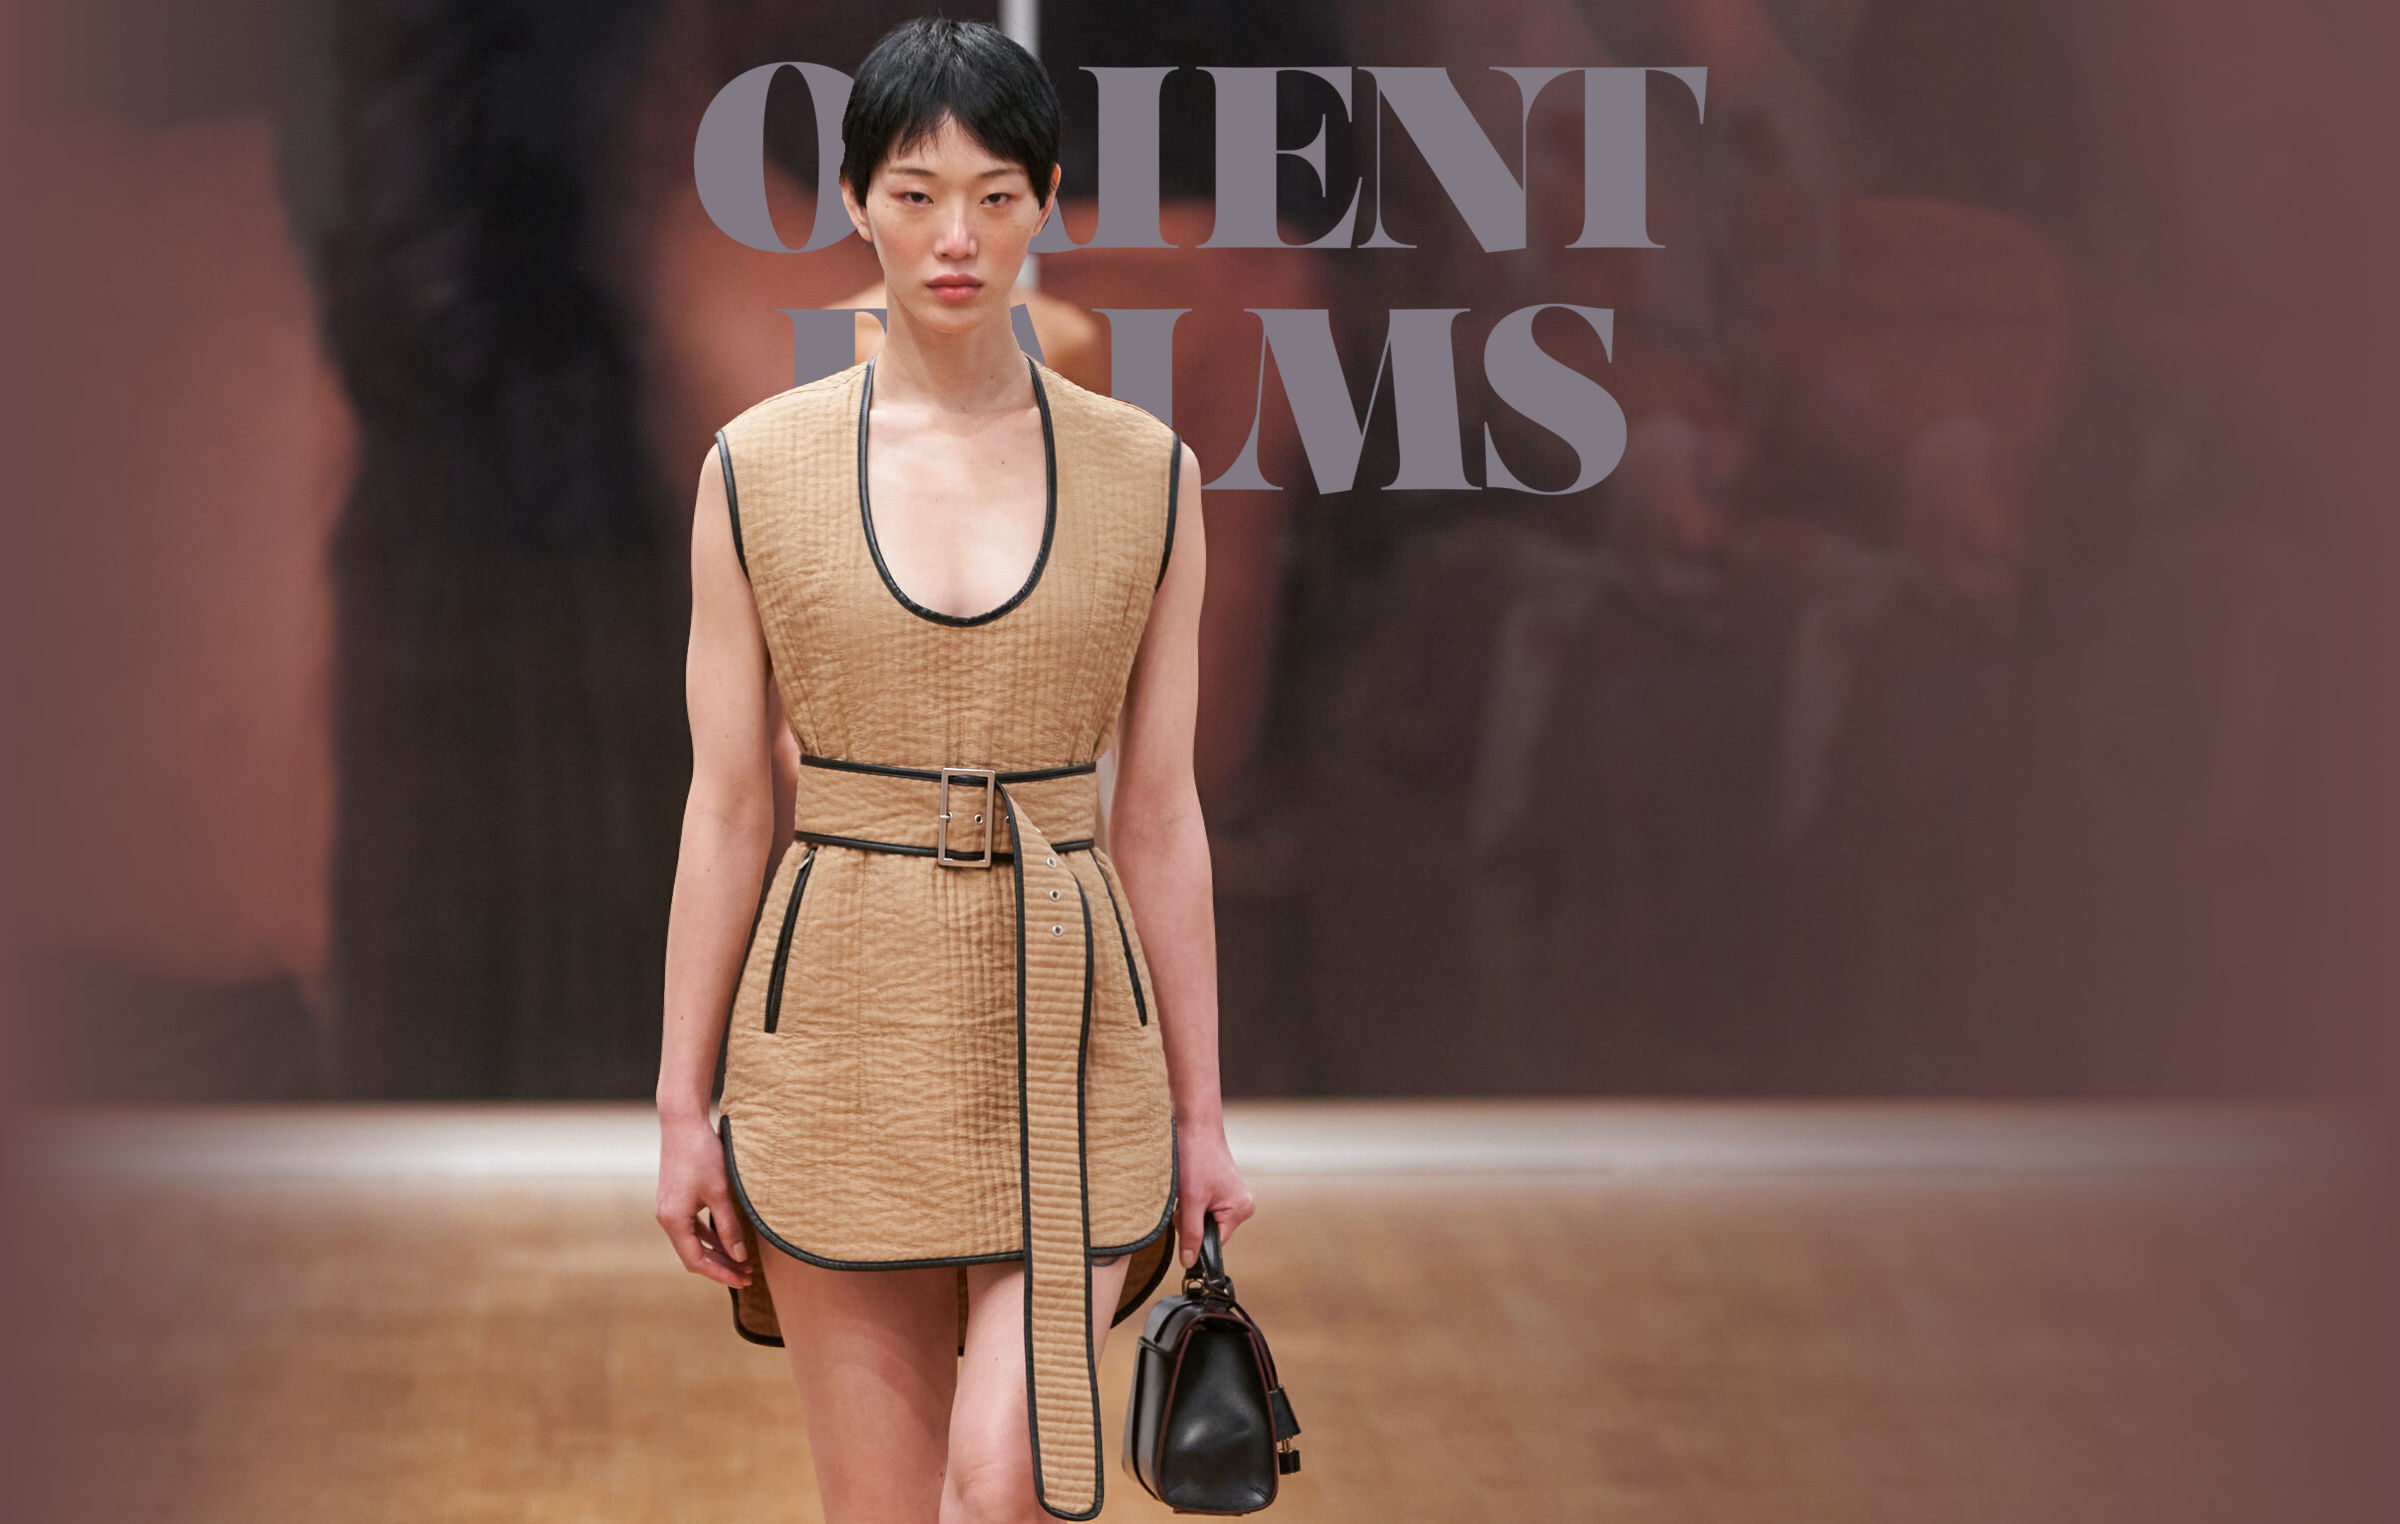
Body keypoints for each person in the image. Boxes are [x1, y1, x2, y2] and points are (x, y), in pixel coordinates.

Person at [652, 18, 1252, 1522]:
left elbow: (1160, 812)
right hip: (837, 1026)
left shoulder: (1148, 475)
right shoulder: (756, 471)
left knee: (1008, 1483)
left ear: (1046, 203)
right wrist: (679, 1109)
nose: (956, 237)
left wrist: (1202, 1117)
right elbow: (726, 804)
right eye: (916, 195)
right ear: (858, 204)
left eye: (994, 195)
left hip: (1072, 1020)